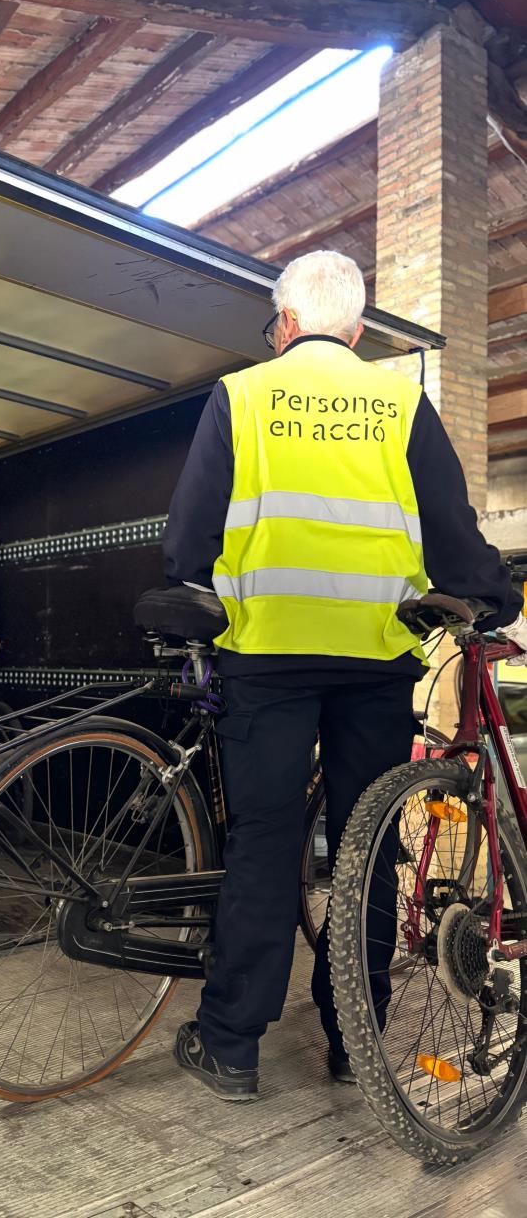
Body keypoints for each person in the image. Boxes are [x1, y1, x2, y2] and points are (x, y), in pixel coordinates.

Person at [163, 250, 527, 1100]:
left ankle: (232, 1046)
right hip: (373, 660)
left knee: (266, 841)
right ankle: (349, 1039)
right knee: (369, 846)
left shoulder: (243, 396)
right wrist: (493, 593)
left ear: (283, 324)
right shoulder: (403, 400)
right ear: (357, 331)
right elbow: (449, 526)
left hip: (268, 655)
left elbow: (186, 544)